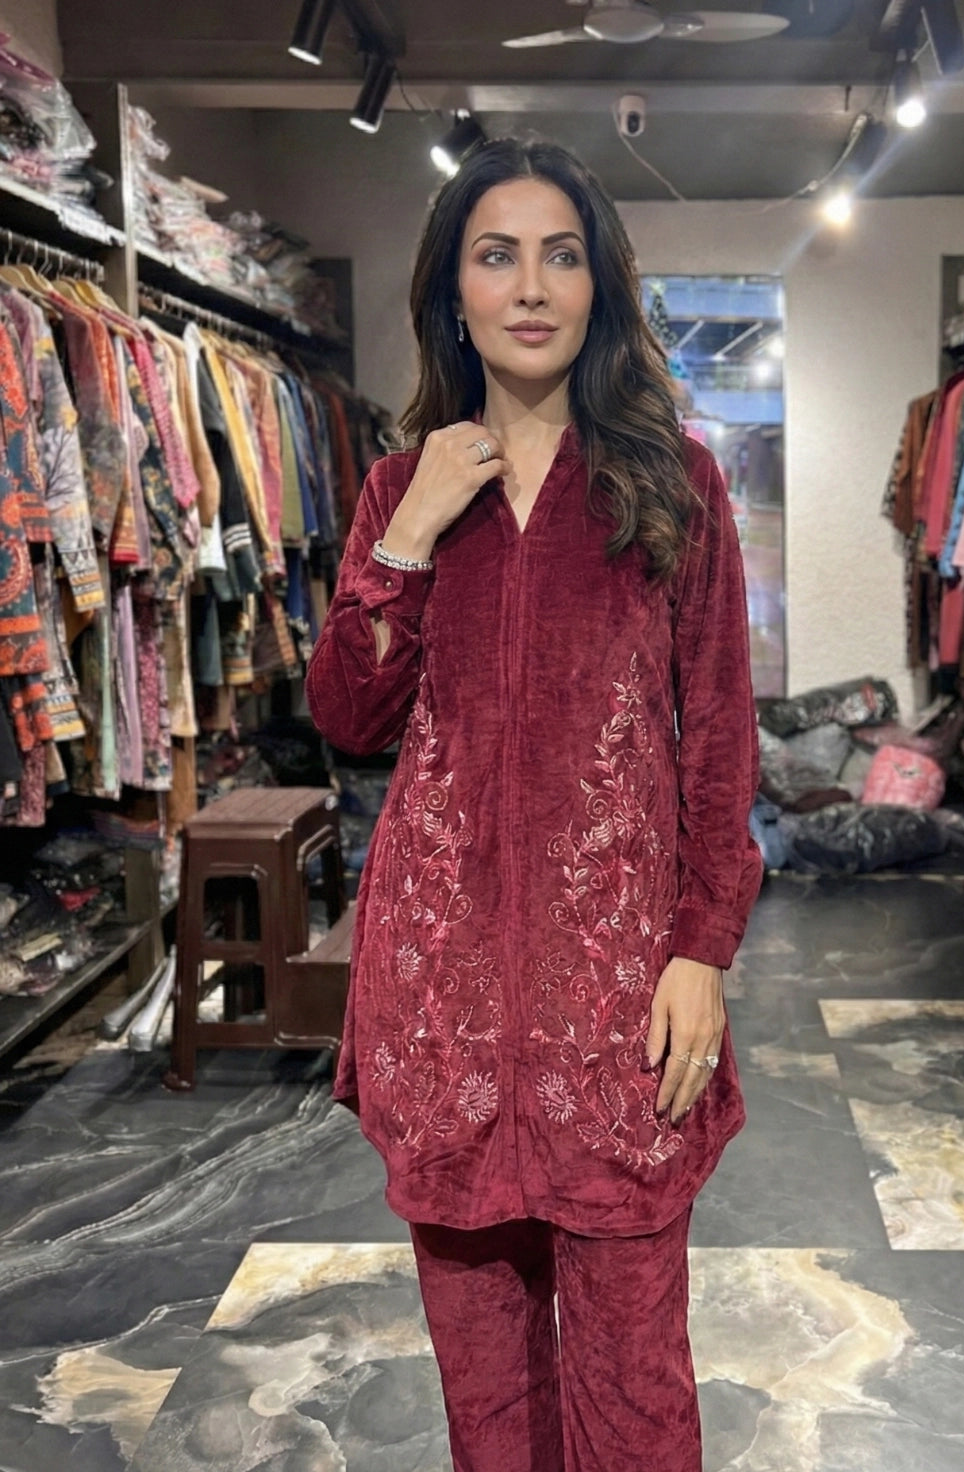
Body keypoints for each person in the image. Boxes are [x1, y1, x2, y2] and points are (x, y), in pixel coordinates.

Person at [305, 137, 763, 1472]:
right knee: (489, 1402)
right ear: (453, 291)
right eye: (495, 255)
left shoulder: (671, 482)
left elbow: (719, 736)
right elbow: (349, 716)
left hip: (616, 999)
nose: (530, 286)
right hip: (441, 997)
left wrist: (702, 949)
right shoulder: (399, 488)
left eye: (561, 255)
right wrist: (408, 536)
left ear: (598, 285)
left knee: (635, 1393)